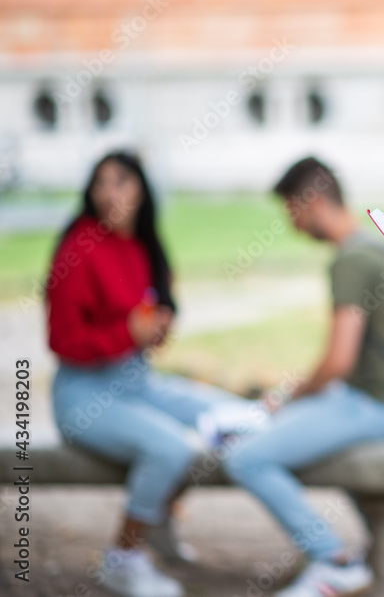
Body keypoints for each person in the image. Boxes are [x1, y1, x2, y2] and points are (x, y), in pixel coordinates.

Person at [48, 150, 252, 597]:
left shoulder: (142, 244)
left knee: (231, 416)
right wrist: (127, 332)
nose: (108, 192)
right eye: (100, 182)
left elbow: (146, 313)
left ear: (141, 189)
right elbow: (62, 341)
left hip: (136, 382)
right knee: (171, 448)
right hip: (84, 395)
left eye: (120, 181)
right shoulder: (79, 248)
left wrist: (153, 330)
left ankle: (155, 517)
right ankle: (121, 558)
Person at [222, 157, 384, 597]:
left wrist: (288, 396)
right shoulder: (377, 246)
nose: (291, 223)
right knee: (284, 428)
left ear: (310, 202)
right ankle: (344, 554)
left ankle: (333, 559)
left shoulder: (350, 260)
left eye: (290, 211)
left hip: (380, 408)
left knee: (245, 457)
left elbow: (338, 362)